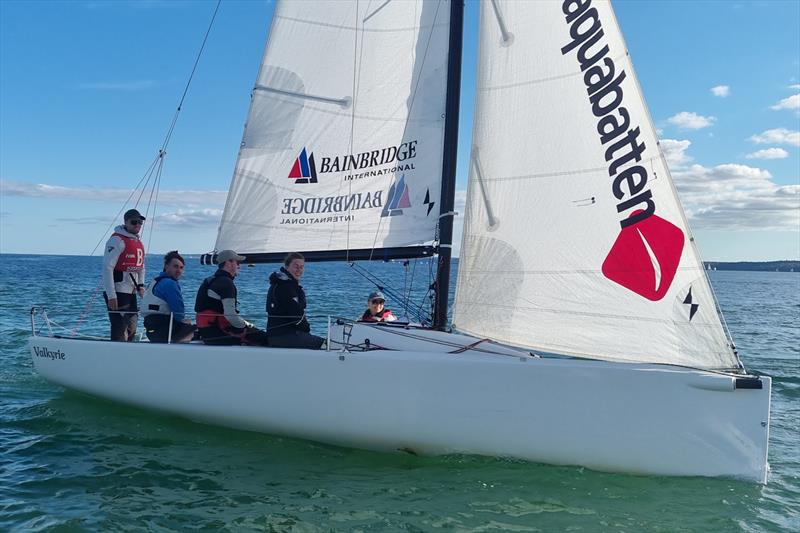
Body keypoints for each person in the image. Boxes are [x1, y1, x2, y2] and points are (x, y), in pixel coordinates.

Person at [194, 250, 270, 346]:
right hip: (218, 334)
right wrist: (245, 327)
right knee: (266, 339)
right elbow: (230, 314)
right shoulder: (226, 283)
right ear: (228, 263)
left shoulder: (211, 280)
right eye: (237, 262)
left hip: (207, 333)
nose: (239, 266)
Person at [102, 208, 146, 341]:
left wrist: (141, 285)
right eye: (134, 222)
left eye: (140, 222)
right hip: (119, 291)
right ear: (126, 222)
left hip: (131, 291)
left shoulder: (137, 242)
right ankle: (116, 355)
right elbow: (107, 268)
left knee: (131, 328)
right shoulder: (117, 240)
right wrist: (111, 296)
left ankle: (128, 354)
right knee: (120, 328)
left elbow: (141, 267)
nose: (137, 225)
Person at [266, 252, 325, 349]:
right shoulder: (285, 287)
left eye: (302, 267)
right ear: (286, 267)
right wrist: (307, 329)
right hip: (283, 336)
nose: (299, 270)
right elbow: (296, 316)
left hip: (277, 335)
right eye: (296, 266)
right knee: (325, 344)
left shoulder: (282, 283)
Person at [141, 250, 196, 343]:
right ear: (166, 266)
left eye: (181, 268)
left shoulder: (155, 281)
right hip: (165, 331)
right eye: (175, 266)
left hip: (151, 330)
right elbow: (179, 313)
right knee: (198, 330)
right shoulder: (170, 284)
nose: (179, 270)